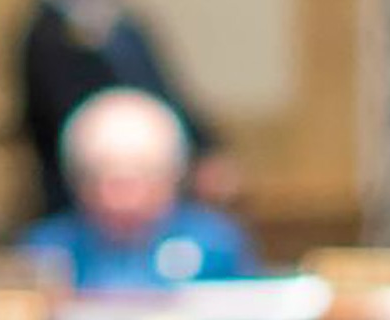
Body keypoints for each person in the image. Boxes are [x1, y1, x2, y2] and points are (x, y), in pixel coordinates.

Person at [15, 0, 232, 216]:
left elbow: (169, 94)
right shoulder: (47, 35)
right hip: (89, 209)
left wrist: (205, 152)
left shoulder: (128, 23)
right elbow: (73, 121)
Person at [21, 89, 258, 291]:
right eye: (101, 182)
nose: (118, 200)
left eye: (137, 181)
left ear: (171, 179)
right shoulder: (48, 249)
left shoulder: (216, 244)